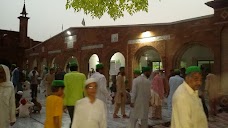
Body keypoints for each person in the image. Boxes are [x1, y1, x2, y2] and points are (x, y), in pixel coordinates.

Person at [64, 62, 86, 126]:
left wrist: (64, 103)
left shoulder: (66, 76)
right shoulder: (82, 76)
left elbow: (65, 90)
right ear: (77, 68)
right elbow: (85, 89)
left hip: (70, 102)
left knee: (72, 119)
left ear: (70, 69)